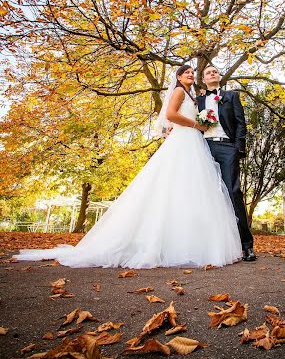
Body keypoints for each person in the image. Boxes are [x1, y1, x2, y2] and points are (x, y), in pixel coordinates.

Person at [14, 65, 242, 269]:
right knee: (170, 186)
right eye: (187, 73)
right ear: (179, 76)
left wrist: (197, 125)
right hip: (184, 141)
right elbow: (171, 115)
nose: (191, 75)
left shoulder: (194, 96)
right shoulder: (179, 91)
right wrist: (195, 124)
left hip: (193, 143)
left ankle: (186, 241)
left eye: (193, 73)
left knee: (186, 191)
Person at [197, 65, 256, 262]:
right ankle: (207, 247)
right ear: (204, 79)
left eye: (215, 71)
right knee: (204, 195)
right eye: (208, 72)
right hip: (203, 148)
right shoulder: (197, 100)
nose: (212, 74)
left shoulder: (231, 96)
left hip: (227, 147)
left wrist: (238, 148)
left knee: (233, 192)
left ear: (219, 76)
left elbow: (241, 122)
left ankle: (246, 246)